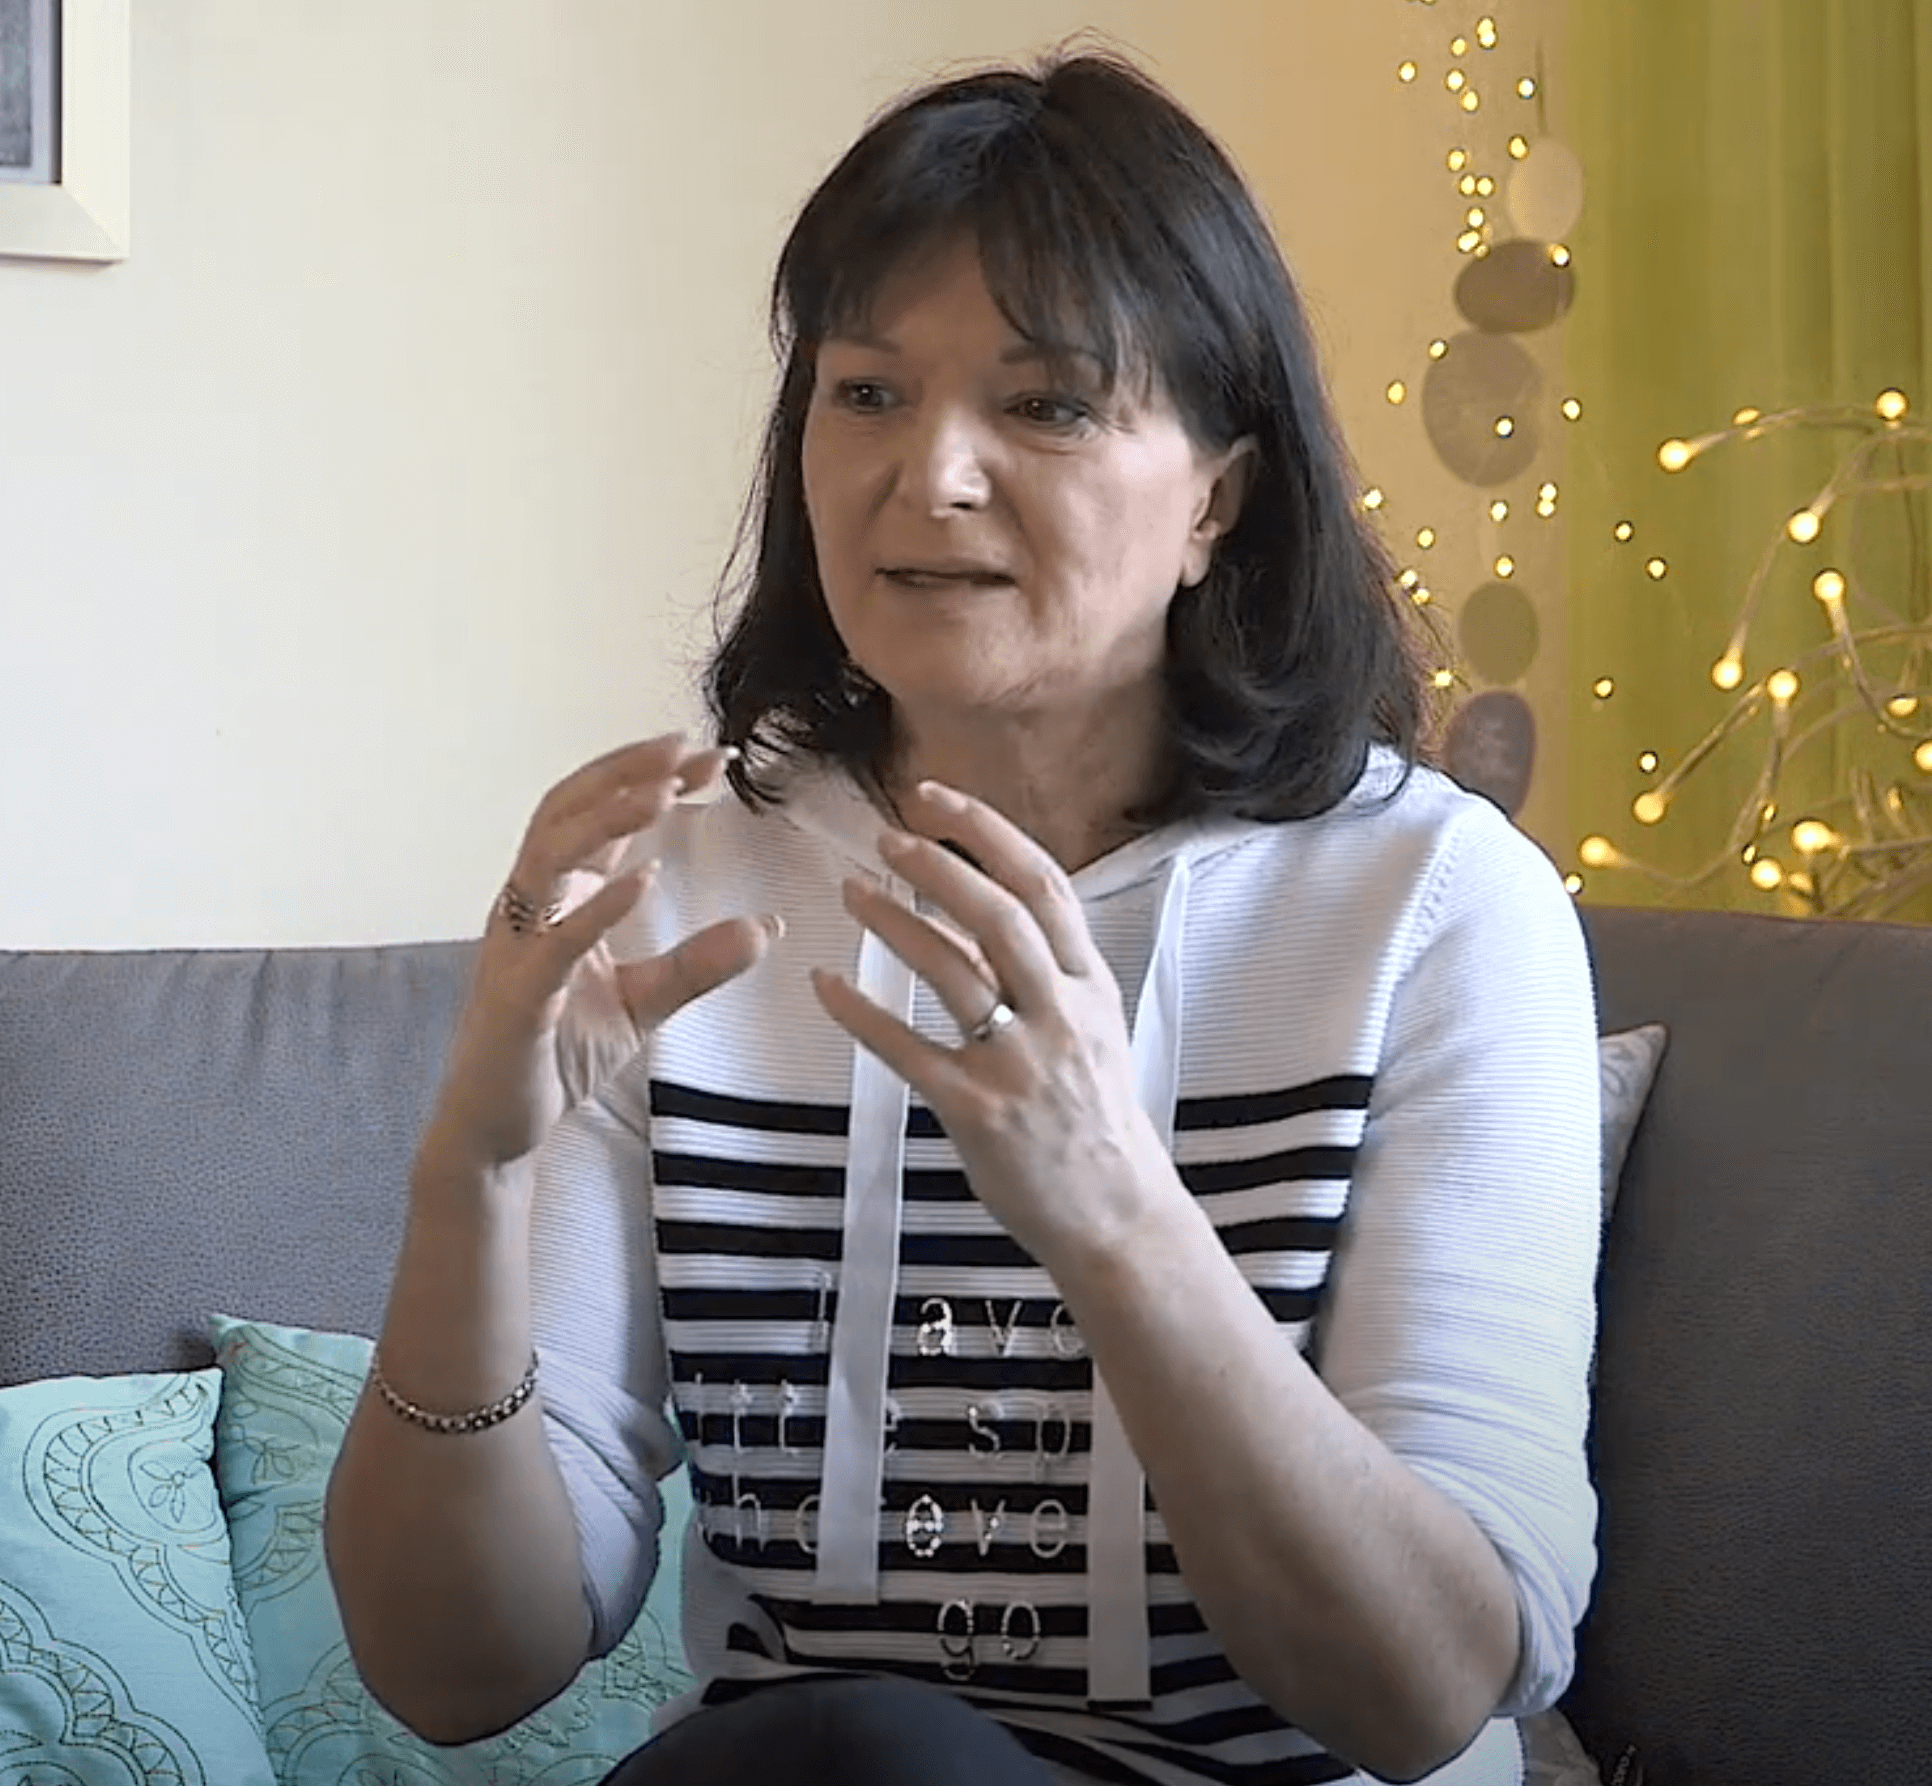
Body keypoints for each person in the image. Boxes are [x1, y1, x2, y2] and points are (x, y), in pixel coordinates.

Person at [324, 48, 1601, 1786]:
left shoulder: (1432, 906)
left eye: (1047, 404)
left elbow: (1432, 1679)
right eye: (865, 392)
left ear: (1216, 499)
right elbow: (457, 1669)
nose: (928, 473)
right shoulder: (680, 894)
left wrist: (1115, 1214)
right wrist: (463, 1185)